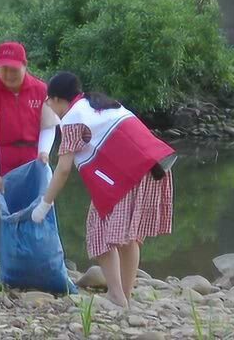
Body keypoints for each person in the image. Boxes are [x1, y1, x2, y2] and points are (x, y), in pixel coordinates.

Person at [32, 72, 177, 307]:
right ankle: (124, 297)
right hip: (154, 166)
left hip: (129, 173)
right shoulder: (98, 103)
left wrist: (45, 203)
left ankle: (117, 296)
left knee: (98, 233)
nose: (49, 106)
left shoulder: (72, 118)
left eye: (50, 101)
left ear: (58, 99)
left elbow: (63, 169)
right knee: (129, 237)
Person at [0, 41, 60, 241]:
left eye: (14, 69)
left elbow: (48, 127)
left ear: (24, 65)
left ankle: (25, 262)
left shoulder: (41, 90)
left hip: (28, 165)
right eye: (4, 69)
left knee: (28, 218)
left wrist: (43, 152)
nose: (9, 74)